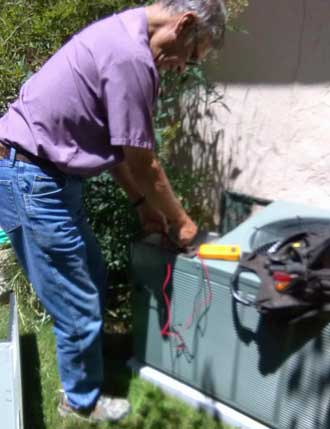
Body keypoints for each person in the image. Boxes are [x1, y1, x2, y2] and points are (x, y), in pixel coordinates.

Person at [0, 0, 226, 422]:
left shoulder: (126, 35)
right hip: (32, 179)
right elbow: (145, 162)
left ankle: (84, 367)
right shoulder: (130, 57)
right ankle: (79, 401)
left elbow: (121, 150)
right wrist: (186, 228)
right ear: (185, 23)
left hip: (45, 178)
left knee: (92, 274)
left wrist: (142, 204)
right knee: (76, 300)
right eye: (191, 56)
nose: (183, 67)